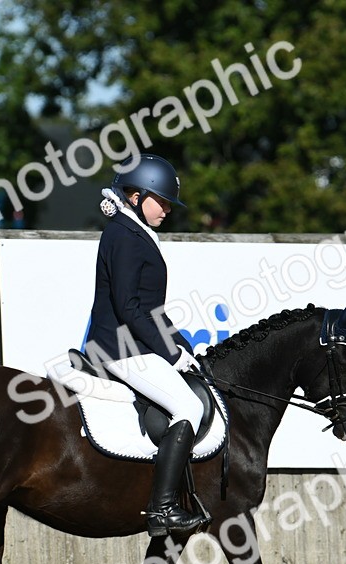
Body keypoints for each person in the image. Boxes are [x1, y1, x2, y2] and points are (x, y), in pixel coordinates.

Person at [83, 154, 208, 538]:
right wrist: (171, 354)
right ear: (136, 196)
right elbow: (130, 307)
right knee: (189, 405)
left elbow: (153, 312)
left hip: (134, 344)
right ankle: (163, 508)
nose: (168, 209)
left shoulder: (133, 232)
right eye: (162, 200)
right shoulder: (123, 235)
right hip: (118, 349)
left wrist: (184, 347)